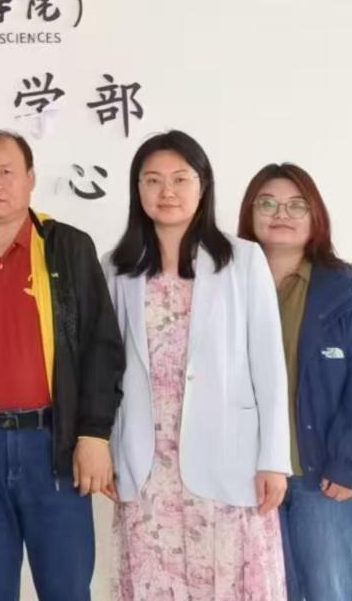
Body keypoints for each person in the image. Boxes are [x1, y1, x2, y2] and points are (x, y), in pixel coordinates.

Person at [0, 130, 123, 601]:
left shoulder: (66, 247)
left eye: (6, 172)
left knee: (66, 589)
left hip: (53, 447)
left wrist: (94, 435)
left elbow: (101, 346)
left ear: (30, 178)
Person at [108, 131, 289, 601]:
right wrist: (107, 449)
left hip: (227, 459)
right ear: (137, 189)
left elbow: (269, 366)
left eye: (180, 179)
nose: (166, 191)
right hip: (147, 467)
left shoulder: (243, 260)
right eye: (153, 180)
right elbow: (106, 369)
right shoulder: (117, 268)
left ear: (203, 185)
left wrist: (274, 459)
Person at [237, 164, 352, 601]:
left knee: (331, 592)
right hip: (245, 476)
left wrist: (350, 464)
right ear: (249, 212)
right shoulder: (226, 285)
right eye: (267, 203)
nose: (280, 214)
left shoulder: (345, 292)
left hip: (322, 475)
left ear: (315, 215)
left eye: (296, 205)